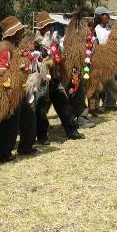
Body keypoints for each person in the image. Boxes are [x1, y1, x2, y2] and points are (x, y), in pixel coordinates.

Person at [33, 11, 85, 143]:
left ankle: (71, 131)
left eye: (50, 25)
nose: (49, 28)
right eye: (46, 26)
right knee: (40, 108)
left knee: (63, 103)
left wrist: (59, 58)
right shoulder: (35, 43)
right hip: (41, 79)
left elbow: (60, 56)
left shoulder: (55, 41)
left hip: (55, 77)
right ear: (40, 28)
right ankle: (42, 136)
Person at [0, 15, 32, 163]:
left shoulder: (12, 46)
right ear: (12, 32)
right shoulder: (5, 48)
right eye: (19, 30)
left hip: (16, 91)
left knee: (24, 118)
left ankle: (24, 147)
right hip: (8, 92)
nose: (22, 32)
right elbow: (2, 71)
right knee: (9, 123)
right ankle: (3, 154)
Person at [91, 5, 117, 113]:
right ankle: (95, 107)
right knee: (97, 86)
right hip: (98, 60)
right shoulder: (94, 30)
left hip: (109, 61)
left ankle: (110, 105)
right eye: (105, 15)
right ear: (99, 16)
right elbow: (93, 45)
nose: (108, 16)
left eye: (108, 15)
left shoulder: (110, 29)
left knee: (111, 85)